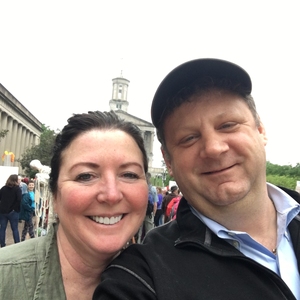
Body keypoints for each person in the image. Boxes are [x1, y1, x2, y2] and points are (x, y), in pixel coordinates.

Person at [93, 59, 300, 300]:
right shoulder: (141, 277)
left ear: (261, 130)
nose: (213, 148)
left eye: (228, 125)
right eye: (189, 138)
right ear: (168, 161)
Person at [0, 111, 149, 299]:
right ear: (55, 194)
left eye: (129, 175)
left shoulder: (166, 280)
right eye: (85, 176)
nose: (111, 195)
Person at [0, 174, 22, 247]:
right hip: (13, 212)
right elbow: (19, 200)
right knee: (15, 229)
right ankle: (17, 244)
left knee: (2, 228)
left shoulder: (3, 188)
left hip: (3, 211)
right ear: (15, 180)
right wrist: (14, 209)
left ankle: (2, 244)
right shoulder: (17, 189)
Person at [136, 172, 158, 243]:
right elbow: (155, 203)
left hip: (140, 211)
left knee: (139, 230)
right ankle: (148, 244)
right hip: (149, 212)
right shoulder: (152, 189)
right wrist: (154, 213)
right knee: (149, 230)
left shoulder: (139, 187)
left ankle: (138, 243)